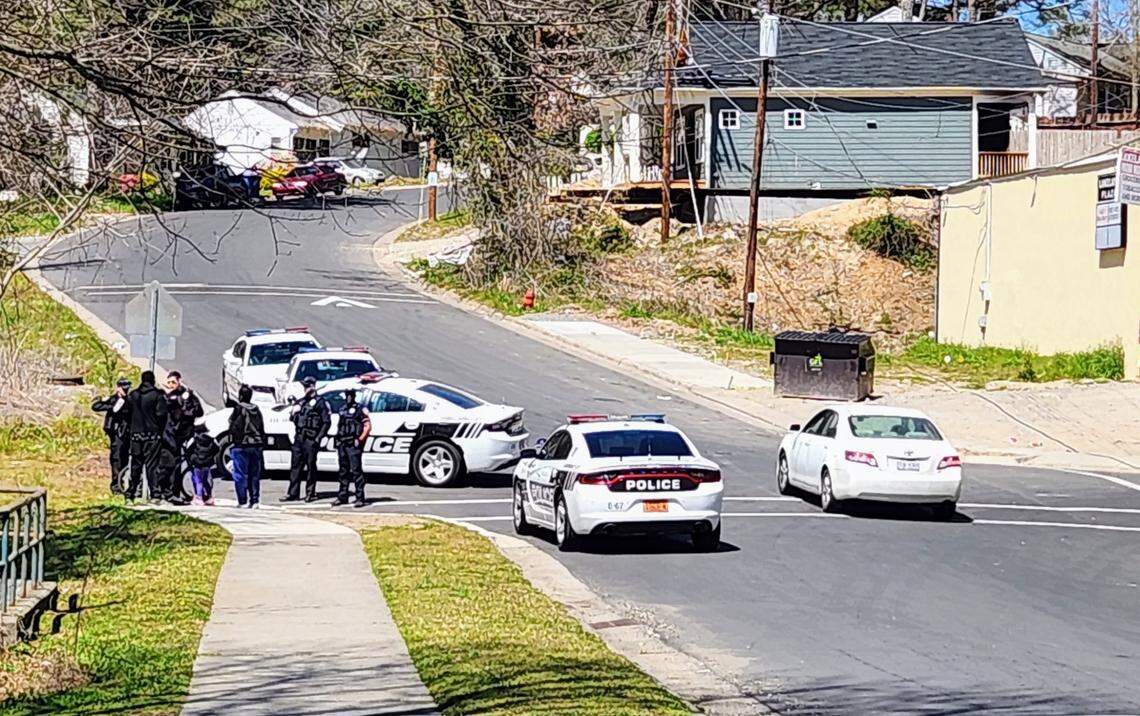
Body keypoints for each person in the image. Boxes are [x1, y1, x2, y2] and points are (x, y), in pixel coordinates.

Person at [281, 377, 330, 503]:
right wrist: (293, 413)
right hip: (299, 438)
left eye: (307, 386)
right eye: (304, 386)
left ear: (313, 387)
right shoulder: (301, 402)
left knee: (311, 467)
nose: (305, 389)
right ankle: (293, 493)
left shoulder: (320, 402)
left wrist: (318, 438)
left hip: (311, 439)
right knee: (295, 466)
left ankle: (310, 493)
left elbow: (326, 422)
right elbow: (293, 419)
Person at [158, 371, 203, 503]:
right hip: (170, 435)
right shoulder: (166, 396)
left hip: (184, 434)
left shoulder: (187, 395)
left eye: (173, 382)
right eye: (169, 382)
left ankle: (176, 491)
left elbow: (199, 411)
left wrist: (185, 403)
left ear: (179, 382)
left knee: (181, 464)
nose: (171, 385)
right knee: (170, 464)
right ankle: (169, 491)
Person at [125, 370, 167, 503]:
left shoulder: (133, 395)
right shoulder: (157, 395)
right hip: (152, 435)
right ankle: (155, 494)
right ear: (153, 380)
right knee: (152, 466)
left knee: (136, 466)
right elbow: (161, 415)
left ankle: (130, 494)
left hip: (136, 435)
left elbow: (126, 413)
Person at [332, 388, 371, 508]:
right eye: (347, 395)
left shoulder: (360, 409)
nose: (348, 397)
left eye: (350, 395)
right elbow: (339, 426)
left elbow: (367, 426)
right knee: (343, 472)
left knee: (356, 471)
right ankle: (342, 496)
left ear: (354, 396)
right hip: (343, 443)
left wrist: (360, 440)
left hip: (353, 444)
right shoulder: (342, 409)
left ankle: (360, 497)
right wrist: (337, 441)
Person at [91, 378, 132, 495]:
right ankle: (116, 486)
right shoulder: (113, 399)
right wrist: (111, 406)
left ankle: (124, 484)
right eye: (123, 388)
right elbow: (96, 406)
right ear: (118, 387)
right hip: (116, 434)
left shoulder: (130, 400)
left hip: (127, 434)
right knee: (117, 459)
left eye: (126, 388)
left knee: (126, 459)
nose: (125, 390)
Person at [228, 384, 265, 509]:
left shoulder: (239, 408)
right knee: (254, 474)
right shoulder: (256, 409)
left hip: (242, 445)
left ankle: (242, 500)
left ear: (241, 396)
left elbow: (234, 426)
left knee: (240, 474)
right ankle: (255, 500)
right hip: (256, 444)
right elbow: (261, 427)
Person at [187, 424, 219, 506]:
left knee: (199, 481)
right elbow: (217, 449)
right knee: (205, 481)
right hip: (207, 464)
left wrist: (192, 459)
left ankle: (199, 498)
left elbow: (188, 450)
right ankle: (209, 497)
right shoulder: (211, 440)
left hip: (197, 464)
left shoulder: (194, 440)